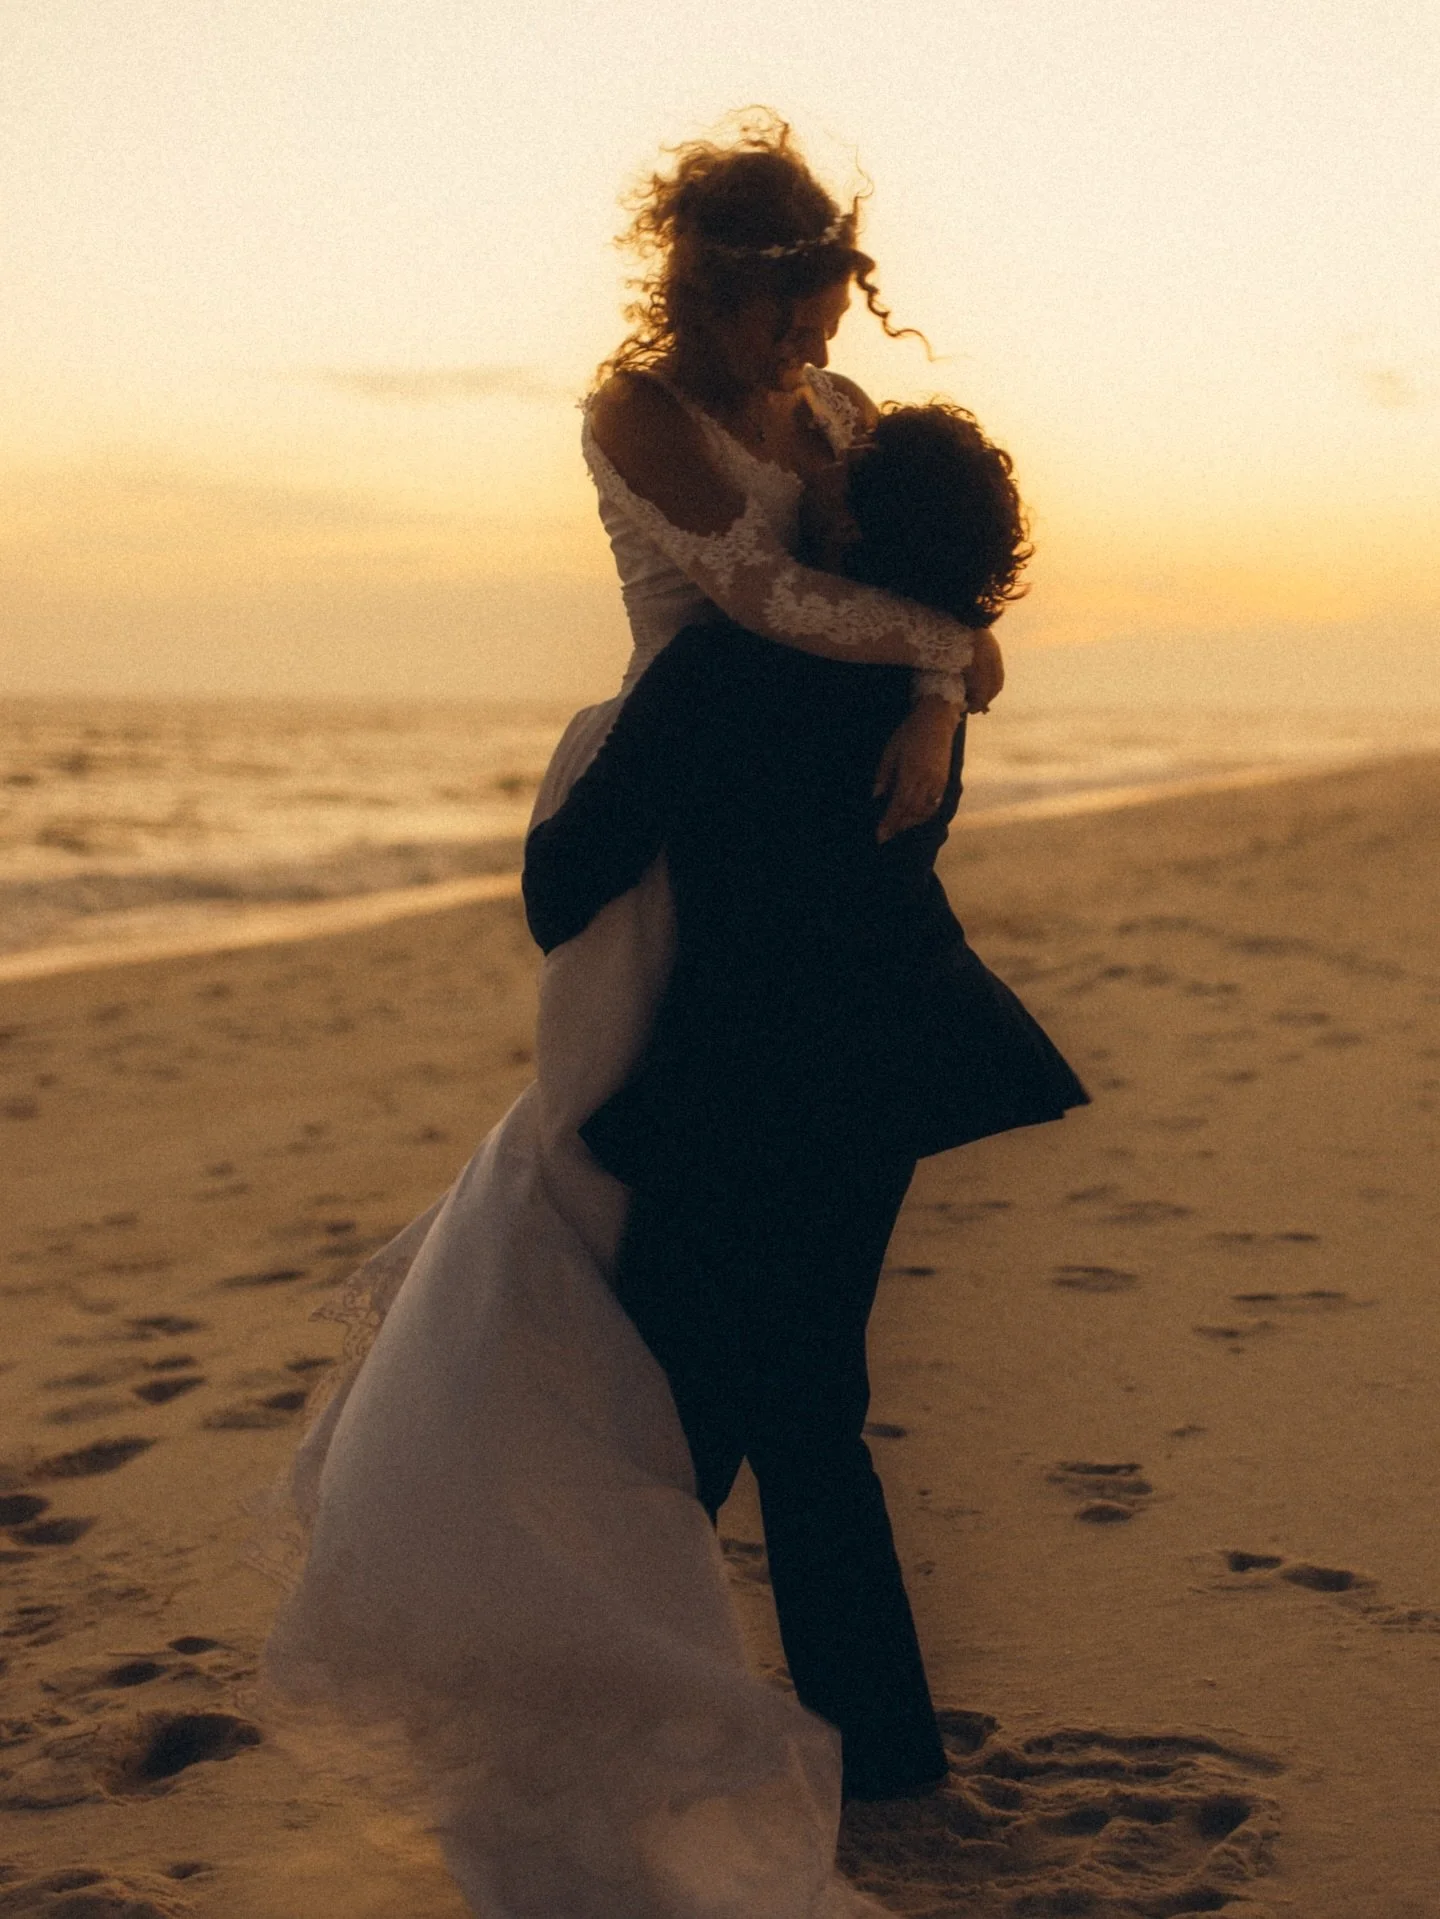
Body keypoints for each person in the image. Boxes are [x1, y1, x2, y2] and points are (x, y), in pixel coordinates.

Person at [259, 116, 1001, 1917]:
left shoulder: (827, 431)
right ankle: (811, 1723)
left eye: (828, 315)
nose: (809, 360)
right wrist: (925, 668)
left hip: (746, 842)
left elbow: (937, 601)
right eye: (782, 318)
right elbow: (768, 595)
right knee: (733, 1345)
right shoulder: (639, 419)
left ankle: (624, 1681)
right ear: (715, 289)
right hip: (734, 832)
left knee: (671, 1344)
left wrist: (937, 678)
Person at [523, 402, 1088, 1804]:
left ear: (847, 527)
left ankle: (616, 1735)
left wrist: (574, 772)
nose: (806, 465)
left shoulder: (720, 669)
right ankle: (882, 1754)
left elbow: (559, 892)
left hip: (738, 1087)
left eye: (834, 468)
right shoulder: (920, 692)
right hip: (886, 1058)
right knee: (805, 1402)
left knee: (671, 1419)